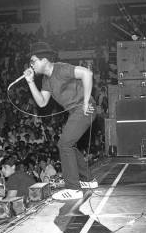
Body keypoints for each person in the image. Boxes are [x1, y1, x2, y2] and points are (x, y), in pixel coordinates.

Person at [24, 42, 98, 200]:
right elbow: (42, 102)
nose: (31, 64)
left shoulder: (60, 68)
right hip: (75, 112)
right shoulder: (46, 80)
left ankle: (73, 188)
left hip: (85, 108)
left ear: (44, 60)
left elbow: (87, 73)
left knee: (64, 144)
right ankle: (89, 180)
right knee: (68, 144)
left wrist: (85, 102)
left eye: (33, 61)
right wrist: (30, 82)